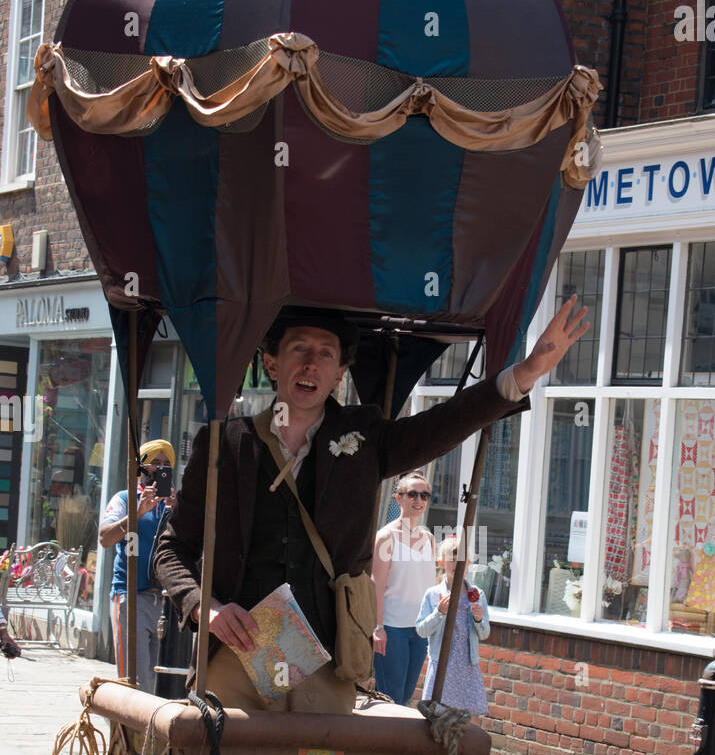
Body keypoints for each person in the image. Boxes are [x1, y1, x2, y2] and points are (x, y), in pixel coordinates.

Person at [154, 297, 590, 714]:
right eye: (298, 349)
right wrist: (202, 606)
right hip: (236, 658)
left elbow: (444, 423)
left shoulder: (365, 436)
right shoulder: (225, 443)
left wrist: (526, 373)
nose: (311, 363)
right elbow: (171, 550)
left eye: (325, 354)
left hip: (328, 657)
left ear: (341, 370)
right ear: (272, 362)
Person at [99, 439, 177, 694]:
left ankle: (149, 735)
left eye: (166, 464)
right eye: (155, 462)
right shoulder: (126, 499)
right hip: (130, 597)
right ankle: (127, 733)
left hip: (165, 603)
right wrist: (138, 511)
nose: (160, 469)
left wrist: (182, 515)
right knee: (134, 681)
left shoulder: (173, 505)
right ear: (142, 467)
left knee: (160, 684)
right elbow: (105, 538)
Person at [371, 470, 436, 704]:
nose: (419, 501)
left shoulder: (429, 538)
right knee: (390, 698)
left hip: (419, 629)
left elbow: (429, 585)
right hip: (392, 628)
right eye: (412, 494)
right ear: (398, 498)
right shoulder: (386, 537)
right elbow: (376, 585)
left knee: (406, 696)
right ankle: (379, 741)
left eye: (425, 495)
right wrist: (378, 627)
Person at [416, 536, 490, 718]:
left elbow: (485, 634)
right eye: (452, 558)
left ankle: (463, 747)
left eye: (462, 560)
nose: (457, 564)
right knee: (437, 714)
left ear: (469, 564)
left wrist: (479, 620)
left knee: (465, 717)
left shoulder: (477, 594)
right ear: (441, 562)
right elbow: (421, 630)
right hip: (442, 663)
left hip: (466, 664)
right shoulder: (433, 594)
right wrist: (439, 612)